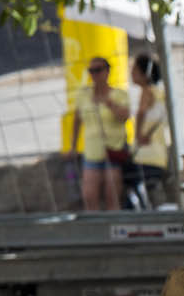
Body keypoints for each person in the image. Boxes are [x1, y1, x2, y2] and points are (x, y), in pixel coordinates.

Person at [70, 56, 131, 210]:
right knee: (89, 196)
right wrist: (73, 146)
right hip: (91, 151)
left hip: (113, 150)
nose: (94, 74)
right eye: (91, 71)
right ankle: (94, 231)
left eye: (98, 70)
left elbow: (125, 117)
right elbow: (76, 121)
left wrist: (109, 103)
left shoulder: (119, 94)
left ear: (107, 71)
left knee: (113, 197)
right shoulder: (83, 95)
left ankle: (115, 230)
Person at [130, 53, 171, 208]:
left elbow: (141, 112)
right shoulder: (161, 92)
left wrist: (138, 134)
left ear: (144, 73)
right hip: (159, 153)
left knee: (144, 197)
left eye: (134, 69)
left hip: (145, 154)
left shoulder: (147, 91)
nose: (131, 73)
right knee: (154, 194)